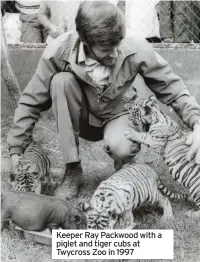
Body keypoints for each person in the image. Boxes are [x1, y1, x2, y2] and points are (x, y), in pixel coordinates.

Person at [8, 1, 200, 201]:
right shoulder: (59, 51)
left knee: (123, 147)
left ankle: (125, 167)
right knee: (61, 82)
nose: (116, 53)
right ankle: (72, 169)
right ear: (85, 41)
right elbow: (30, 101)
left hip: (118, 114)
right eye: (107, 49)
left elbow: (173, 88)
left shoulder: (134, 46)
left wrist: (197, 122)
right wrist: (16, 149)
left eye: (118, 43)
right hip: (81, 117)